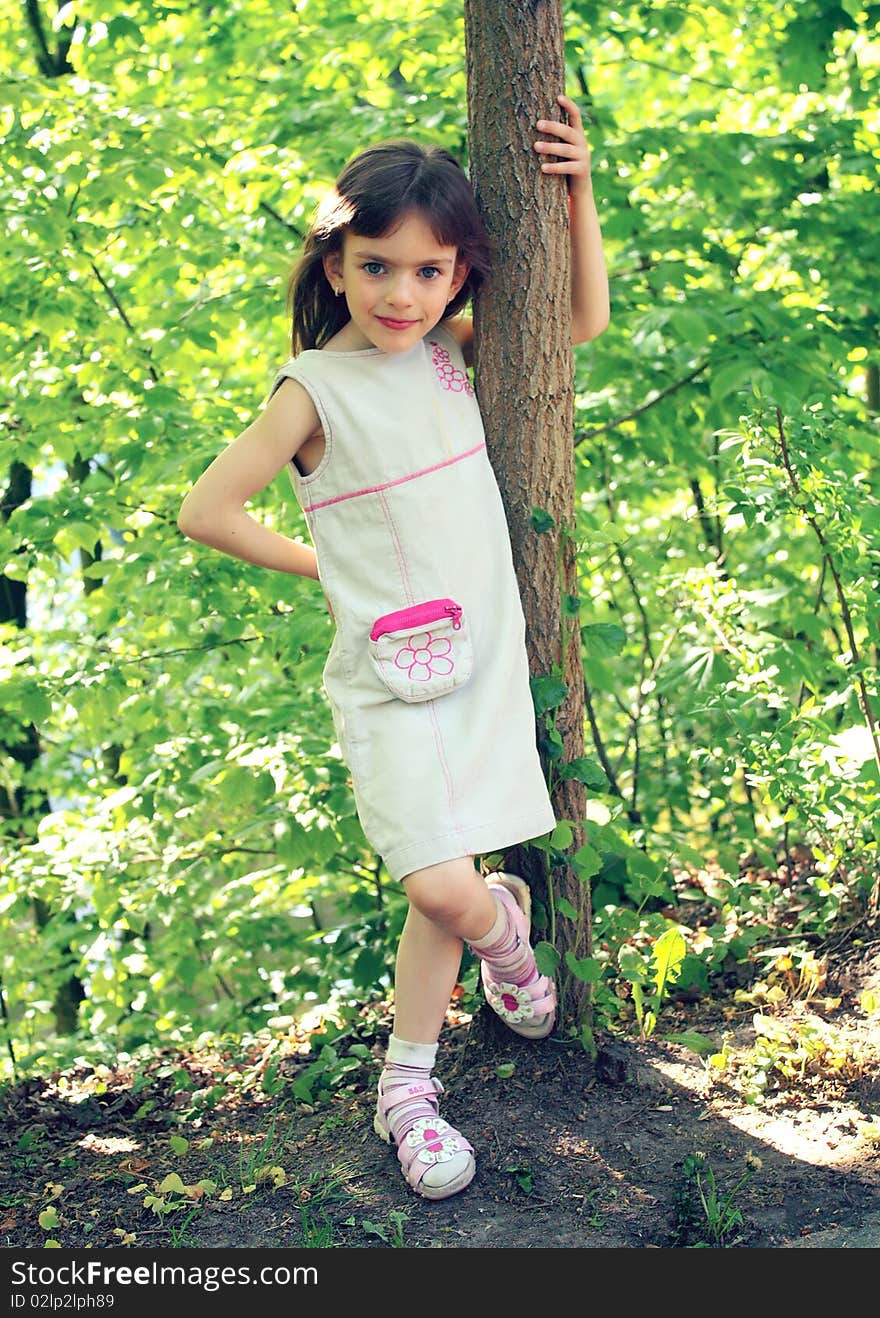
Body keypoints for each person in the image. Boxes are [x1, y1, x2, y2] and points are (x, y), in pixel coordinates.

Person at [178, 93, 610, 1201]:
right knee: (444, 881)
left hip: (480, 662)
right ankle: (507, 938)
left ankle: (406, 1089)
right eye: (377, 266)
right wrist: (330, 567)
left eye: (429, 270)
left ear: (459, 273)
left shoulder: (455, 356)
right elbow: (208, 511)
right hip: (386, 677)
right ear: (334, 267)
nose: (403, 293)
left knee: (436, 893)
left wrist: (579, 189)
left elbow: (576, 323)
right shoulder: (315, 389)